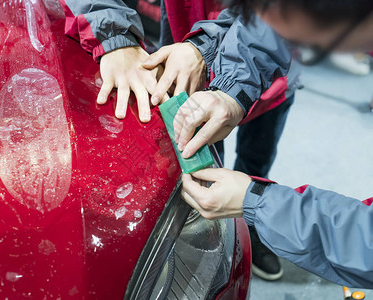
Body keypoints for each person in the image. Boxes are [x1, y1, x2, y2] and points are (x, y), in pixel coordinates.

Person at [59, 0, 301, 280]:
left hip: (273, 70)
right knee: (200, 163)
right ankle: (210, 236)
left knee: (257, 159)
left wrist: (206, 47)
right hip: (186, 51)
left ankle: (253, 231)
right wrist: (113, 32)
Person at [180, 0, 373, 288]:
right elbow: (270, 22)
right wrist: (230, 90)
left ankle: (252, 234)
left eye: (299, 44)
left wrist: (257, 203)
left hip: (276, 96)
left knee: (257, 155)